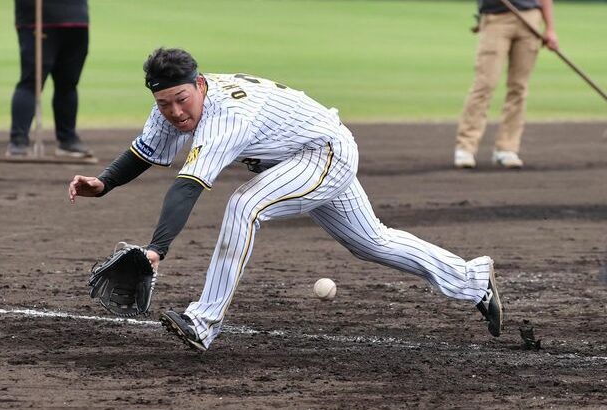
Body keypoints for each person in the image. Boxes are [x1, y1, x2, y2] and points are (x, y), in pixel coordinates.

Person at [68, 48, 503, 352]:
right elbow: (145, 151)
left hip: (324, 152)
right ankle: (471, 280)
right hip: (299, 157)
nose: (175, 112)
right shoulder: (170, 103)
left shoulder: (225, 116)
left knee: (245, 205)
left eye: (182, 100)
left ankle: (203, 321)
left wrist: (156, 250)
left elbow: (187, 185)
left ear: (200, 84)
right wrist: (104, 183)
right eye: (164, 103)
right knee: (372, 242)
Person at [454, 0, 559, 169]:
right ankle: (465, 147)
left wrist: (550, 29)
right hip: (496, 18)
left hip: (530, 18)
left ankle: (507, 148)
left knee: (519, 88)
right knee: (485, 85)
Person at [8, 0, 92, 158]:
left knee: (68, 83)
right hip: (39, 20)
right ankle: (18, 141)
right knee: (31, 82)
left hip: (77, 21)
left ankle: (68, 140)